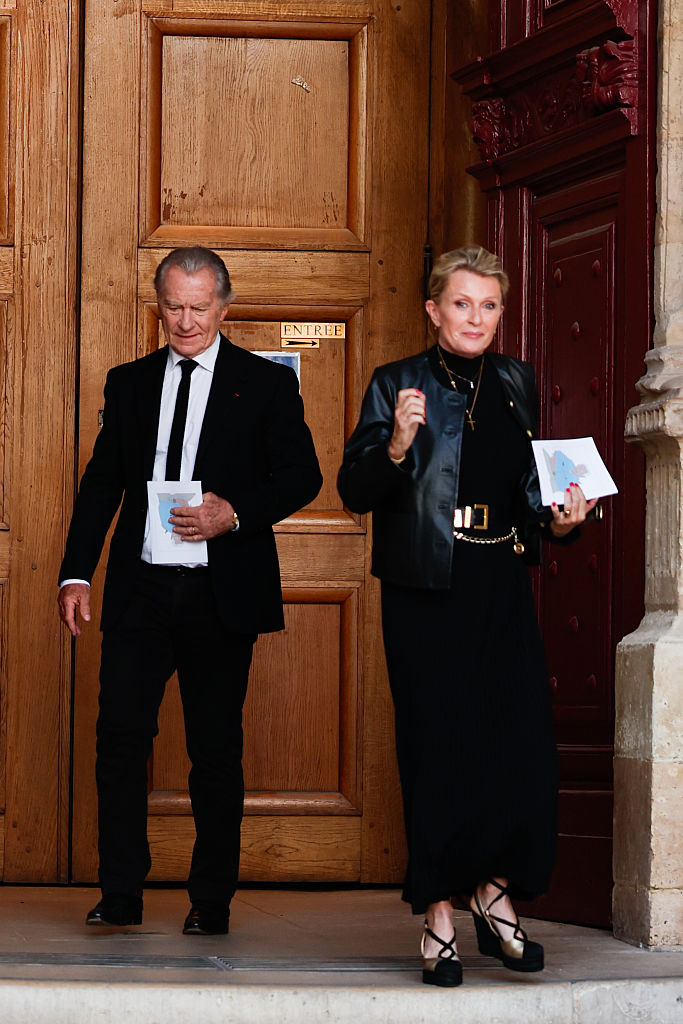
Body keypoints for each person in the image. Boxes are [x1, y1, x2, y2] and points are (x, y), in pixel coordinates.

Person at [337, 245, 598, 987]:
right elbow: (354, 490)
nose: (475, 317)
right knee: (438, 748)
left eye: (488, 305)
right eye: (461, 303)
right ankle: (438, 914)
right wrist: (396, 444)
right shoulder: (395, 382)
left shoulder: (515, 380)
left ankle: (492, 892)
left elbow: (527, 490)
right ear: (433, 309)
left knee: (516, 745)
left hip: (496, 579)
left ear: (500, 313)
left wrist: (561, 521)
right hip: (425, 587)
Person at [58, 246, 322, 935]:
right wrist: (76, 573)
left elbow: (303, 476)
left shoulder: (265, 384)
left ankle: (211, 900)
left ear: (223, 308)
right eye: (173, 306)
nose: (185, 321)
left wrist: (233, 513)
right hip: (141, 589)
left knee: (214, 750)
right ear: (159, 305)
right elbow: (101, 485)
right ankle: (120, 893)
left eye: (198, 308)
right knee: (119, 739)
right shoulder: (129, 382)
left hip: (219, 591)